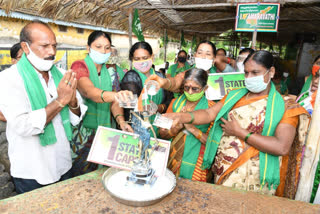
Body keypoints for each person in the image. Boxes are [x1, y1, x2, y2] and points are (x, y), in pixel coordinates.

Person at [163, 50, 308, 197]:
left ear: (271, 72)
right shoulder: (234, 95)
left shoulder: (287, 106)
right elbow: (208, 114)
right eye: (246, 73)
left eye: (255, 73)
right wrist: (180, 116)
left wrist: (240, 132)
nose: (249, 77)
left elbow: (281, 146)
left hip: (257, 181)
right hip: (224, 174)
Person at [0, 20, 88, 194]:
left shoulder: (61, 75)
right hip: (31, 171)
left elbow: (76, 117)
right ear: (26, 48)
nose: (52, 52)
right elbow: (24, 125)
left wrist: (72, 102)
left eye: (54, 46)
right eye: (44, 46)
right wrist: (60, 101)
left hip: (63, 163)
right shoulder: (8, 79)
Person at [69, 30, 133, 176]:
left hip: (105, 133)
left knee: (103, 176)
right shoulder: (79, 66)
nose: (103, 51)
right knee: (81, 178)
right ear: (88, 48)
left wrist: (121, 121)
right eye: (98, 47)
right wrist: (116, 95)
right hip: (83, 136)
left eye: (107, 48)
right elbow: (89, 92)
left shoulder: (111, 72)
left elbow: (114, 102)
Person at [159, 68, 214, 182]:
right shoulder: (175, 103)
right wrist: (174, 130)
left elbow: (213, 143)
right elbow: (162, 134)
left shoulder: (212, 109)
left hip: (197, 164)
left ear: (205, 88)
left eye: (195, 89)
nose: (189, 92)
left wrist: (191, 129)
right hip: (173, 158)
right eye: (186, 87)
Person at [146, 41, 235, 101]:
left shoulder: (221, 75)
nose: (203, 57)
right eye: (200, 53)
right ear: (195, 55)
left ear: (214, 58)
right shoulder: (187, 73)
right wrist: (163, 82)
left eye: (208, 54)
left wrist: (228, 60)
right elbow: (175, 82)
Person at [129, 41, 173, 136]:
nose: (142, 62)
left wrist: (160, 107)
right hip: (139, 130)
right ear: (132, 60)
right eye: (137, 59)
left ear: (152, 57)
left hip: (159, 128)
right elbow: (131, 105)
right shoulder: (131, 77)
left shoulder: (160, 76)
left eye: (145, 58)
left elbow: (169, 99)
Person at [0, 43, 24, 122]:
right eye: (21, 57)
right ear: (13, 61)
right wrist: (11, 120)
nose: (26, 60)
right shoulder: (4, 77)